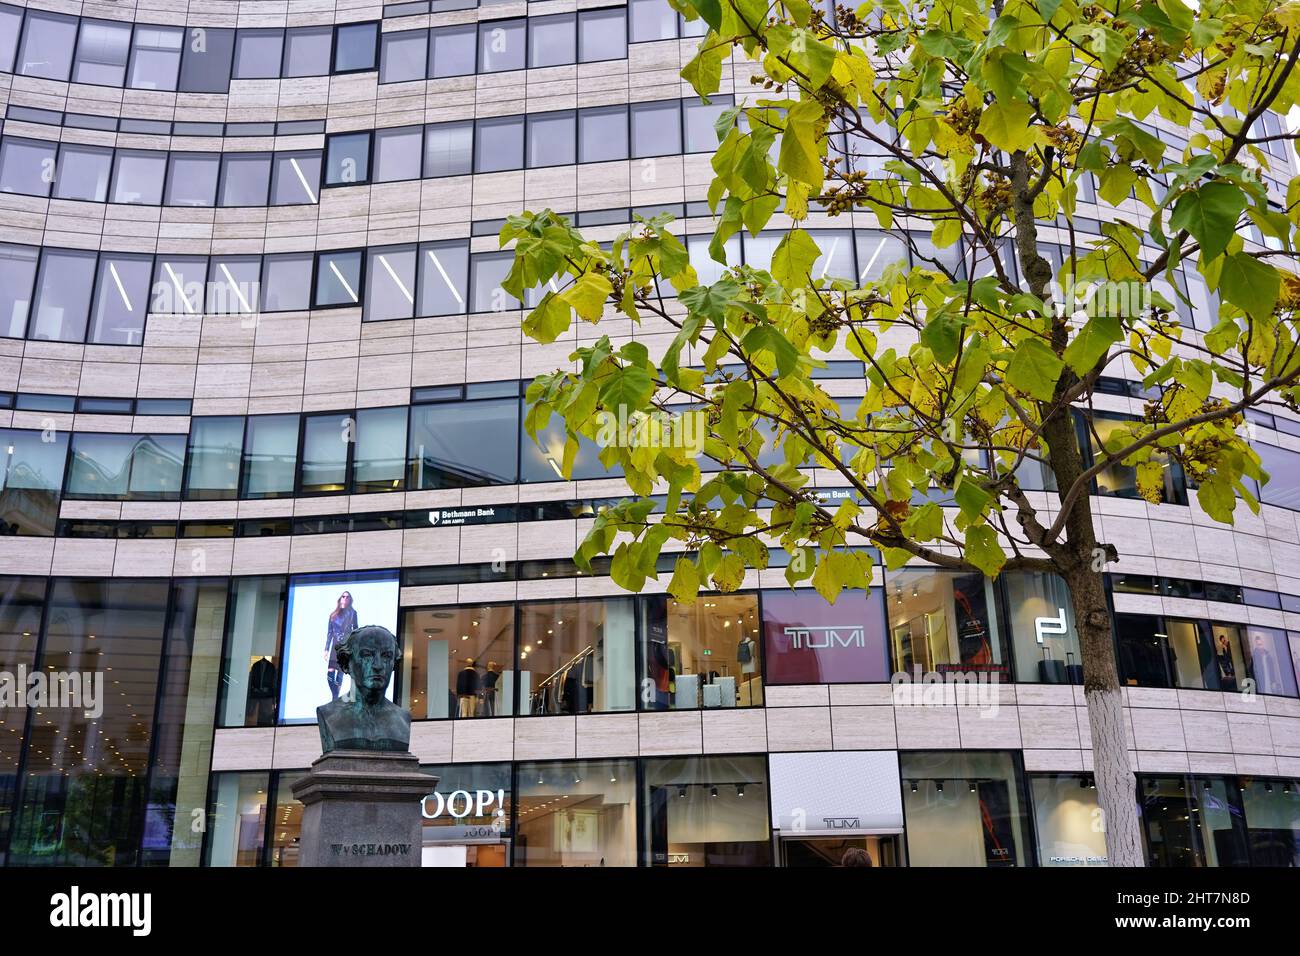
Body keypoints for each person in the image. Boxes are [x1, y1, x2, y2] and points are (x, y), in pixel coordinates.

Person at [324, 591, 358, 700]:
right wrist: (326, 649)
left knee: (340, 672)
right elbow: (329, 633)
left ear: (350, 600)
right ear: (340, 598)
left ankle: (335, 697)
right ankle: (335, 695)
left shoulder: (353, 613)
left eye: (347, 597)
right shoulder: (333, 615)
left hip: (345, 645)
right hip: (335, 646)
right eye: (343, 596)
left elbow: (356, 630)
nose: (345, 598)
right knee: (330, 671)